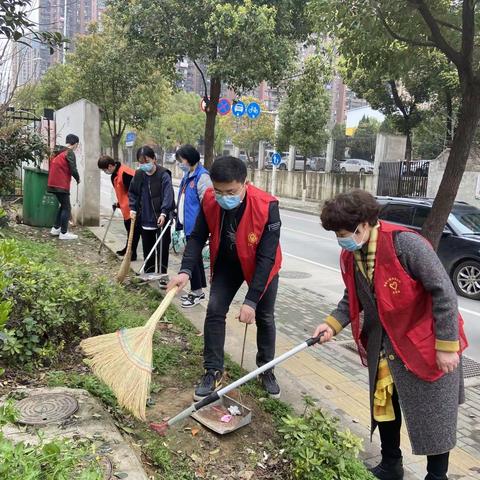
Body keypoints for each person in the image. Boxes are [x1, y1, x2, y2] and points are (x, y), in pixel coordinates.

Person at [313, 190, 468, 480]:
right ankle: (390, 464)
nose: (341, 240)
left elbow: (444, 292)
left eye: (346, 233)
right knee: (386, 404)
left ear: (366, 223)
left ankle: (437, 475)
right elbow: (354, 296)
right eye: (337, 234)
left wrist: (447, 346)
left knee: (434, 413)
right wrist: (332, 324)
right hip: (385, 341)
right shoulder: (352, 254)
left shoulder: (405, 244)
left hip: (425, 339)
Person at [167, 156, 283, 400]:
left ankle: (266, 369)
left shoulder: (266, 206)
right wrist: (185, 270)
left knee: (264, 315)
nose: (223, 197)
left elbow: (267, 257)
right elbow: (198, 236)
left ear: (245, 184)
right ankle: (213, 370)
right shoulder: (210, 199)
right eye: (219, 191)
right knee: (215, 309)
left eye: (230, 191)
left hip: (261, 266)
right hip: (228, 263)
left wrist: (251, 301)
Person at [128, 146, 175, 286]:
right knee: (147, 247)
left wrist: (164, 212)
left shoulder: (163, 174)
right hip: (145, 217)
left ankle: (162, 277)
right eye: (140, 162)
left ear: (154, 159)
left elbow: (168, 195)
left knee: (162, 248)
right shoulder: (139, 174)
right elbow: (133, 192)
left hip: (162, 218)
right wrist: (133, 208)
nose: (143, 165)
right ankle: (148, 275)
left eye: (146, 161)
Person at [175, 144, 212, 308]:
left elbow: (208, 204)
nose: (179, 163)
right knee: (194, 260)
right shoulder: (188, 175)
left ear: (189, 159)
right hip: (188, 226)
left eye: (181, 160)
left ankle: (197, 293)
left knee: (192, 260)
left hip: (197, 228)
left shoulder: (202, 177)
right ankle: (198, 291)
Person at [97, 155, 140, 261]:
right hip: (126, 208)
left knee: (133, 232)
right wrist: (119, 203)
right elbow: (122, 191)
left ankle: (132, 253)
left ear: (111, 166)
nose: (104, 171)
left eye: (105, 169)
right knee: (129, 230)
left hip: (134, 208)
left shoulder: (125, 173)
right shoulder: (114, 175)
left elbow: (135, 192)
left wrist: (135, 207)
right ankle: (128, 249)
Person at [47, 133, 80, 240]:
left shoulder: (58, 152)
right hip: (61, 184)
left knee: (63, 206)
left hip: (53, 183)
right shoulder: (69, 153)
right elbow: (73, 169)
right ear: (75, 144)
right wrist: (78, 178)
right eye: (77, 145)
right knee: (67, 207)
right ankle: (64, 233)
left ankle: (56, 228)